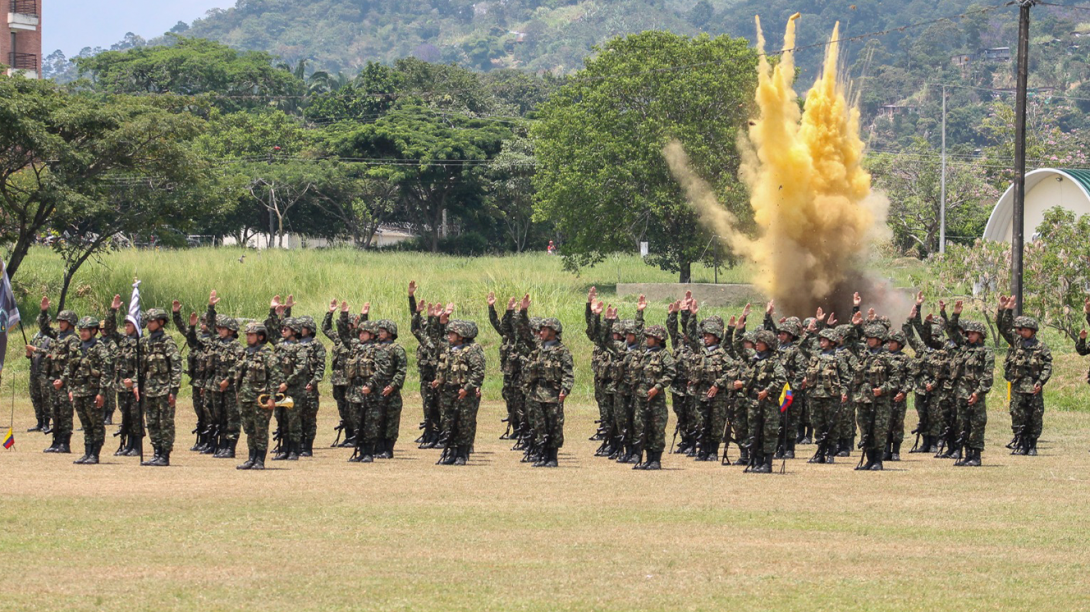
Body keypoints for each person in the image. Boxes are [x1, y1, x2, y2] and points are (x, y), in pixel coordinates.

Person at [521, 304, 574, 468]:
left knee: (554, 425)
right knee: (539, 425)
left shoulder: (562, 351)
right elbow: (523, 333)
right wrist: (522, 312)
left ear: (552, 332)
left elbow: (568, 373)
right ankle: (541, 455)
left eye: (544, 330)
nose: (540, 333)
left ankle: (552, 457)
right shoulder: (538, 349)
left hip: (553, 393)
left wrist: (565, 389)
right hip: (537, 393)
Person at [997, 295, 1052, 456]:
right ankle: (1021, 443)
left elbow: (1048, 366)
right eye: (1019, 329)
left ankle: (1032, 445)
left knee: (1035, 416)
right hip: (1018, 386)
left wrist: (1041, 382)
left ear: (1032, 331)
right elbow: (1003, 327)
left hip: (1034, 387)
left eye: (1024, 329)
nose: (1020, 332)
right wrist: (1007, 309)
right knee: (1017, 414)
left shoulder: (1041, 347)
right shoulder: (1017, 342)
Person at [433, 318, 486, 466]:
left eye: (452, 333)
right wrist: (439, 380)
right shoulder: (449, 349)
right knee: (448, 422)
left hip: (464, 394)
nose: (449, 336)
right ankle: (452, 452)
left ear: (461, 335)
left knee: (464, 423)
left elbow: (478, 373)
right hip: (447, 393)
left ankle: (462, 454)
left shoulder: (472, 350)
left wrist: (467, 389)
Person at [947, 301, 994, 467]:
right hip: (961, 393)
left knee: (976, 424)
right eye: (968, 334)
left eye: (973, 334)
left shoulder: (986, 352)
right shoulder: (963, 348)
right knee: (963, 424)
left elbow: (988, 375)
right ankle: (967, 455)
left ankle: (976, 456)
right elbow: (951, 330)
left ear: (980, 335)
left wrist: (978, 393)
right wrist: (955, 314)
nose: (970, 336)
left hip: (975, 394)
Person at [233, 323, 283, 470]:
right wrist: (237, 393)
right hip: (245, 397)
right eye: (247, 334)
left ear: (260, 336)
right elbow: (239, 376)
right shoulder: (244, 353)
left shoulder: (267, 354)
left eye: (251, 335)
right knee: (249, 429)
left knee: (260, 429)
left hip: (261, 397)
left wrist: (272, 397)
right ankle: (251, 458)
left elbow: (274, 376)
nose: (248, 337)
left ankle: (260, 460)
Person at [136, 308, 182, 467]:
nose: (148, 324)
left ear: (160, 322)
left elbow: (176, 366)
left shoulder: (167, 342)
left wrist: (174, 390)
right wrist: (138, 385)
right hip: (149, 389)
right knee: (152, 421)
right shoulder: (145, 342)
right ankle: (156, 451)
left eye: (152, 321)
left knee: (165, 423)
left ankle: (165, 454)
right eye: (147, 321)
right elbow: (141, 368)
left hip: (164, 389)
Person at [203, 291, 245, 459]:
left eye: (223, 328)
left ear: (231, 330)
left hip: (230, 388)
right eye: (219, 328)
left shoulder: (237, 347)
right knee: (218, 416)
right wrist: (211, 307)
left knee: (231, 418)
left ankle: (230, 446)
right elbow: (211, 325)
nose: (219, 330)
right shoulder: (216, 342)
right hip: (215, 386)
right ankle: (221, 444)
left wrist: (228, 380)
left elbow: (239, 365)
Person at [66, 317, 113, 465]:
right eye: (81, 330)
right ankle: (87, 452)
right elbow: (70, 370)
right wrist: (70, 389)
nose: (83, 333)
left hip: (93, 392)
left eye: (85, 330)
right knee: (86, 425)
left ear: (93, 331)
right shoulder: (77, 348)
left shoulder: (99, 348)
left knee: (96, 424)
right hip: (79, 392)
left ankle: (95, 453)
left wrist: (102, 393)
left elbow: (107, 371)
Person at [39, 298, 80, 454]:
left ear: (70, 323)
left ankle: (65, 442)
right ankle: (55, 441)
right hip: (53, 380)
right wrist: (44, 312)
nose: (60, 324)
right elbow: (44, 328)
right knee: (54, 411)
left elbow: (73, 362)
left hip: (65, 382)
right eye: (59, 321)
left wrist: (63, 380)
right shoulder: (58, 336)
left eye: (63, 321)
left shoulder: (73, 339)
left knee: (65, 412)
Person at [631, 324, 675, 470]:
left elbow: (670, 373)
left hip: (656, 400)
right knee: (642, 427)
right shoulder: (643, 353)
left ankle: (656, 459)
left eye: (650, 337)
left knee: (656, 428)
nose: (647, 339)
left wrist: (657, 387)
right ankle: (647, 459)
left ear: (658, 339)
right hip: (641, 397)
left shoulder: (664, 355)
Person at [103, 294, 141, 457]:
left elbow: (143, 366)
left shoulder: (142, 343)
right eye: (125, 325)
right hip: (121, 386)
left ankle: (136, 446)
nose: (126, 327)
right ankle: (127, 445)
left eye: (129, 325)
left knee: (135, 416)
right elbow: (110, 329)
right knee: (125, 415)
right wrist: (112, 310)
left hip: (134, 387)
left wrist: (133, 383)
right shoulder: (123, 340)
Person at [743, 329, 787, 473]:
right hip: (754, 403)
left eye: (761, 342)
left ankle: (767, 464)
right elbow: (736, 347)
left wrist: (767, 390)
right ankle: (756, 461)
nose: (757, 344)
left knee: (769, 432)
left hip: (769, 403)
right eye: (757, 341)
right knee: (754, 432)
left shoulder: (774, 362)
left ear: (768, 344)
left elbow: (782, 379)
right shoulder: (754, 359)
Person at [804, 328, 849, 463]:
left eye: (825, 340)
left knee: (832, 424)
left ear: (832, 342)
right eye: (821, 340)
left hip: (831, 396)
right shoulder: (815, 355)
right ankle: (820, 452)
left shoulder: (838, 357)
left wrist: (844, 392)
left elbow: (846, 377)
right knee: (818, 424)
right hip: (814, 395)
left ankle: (830, 452)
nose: (821, 342)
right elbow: (800, 346)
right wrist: (809, 332)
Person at [491, 292, 524, 442]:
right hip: (508, 375)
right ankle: (516, 428)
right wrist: (491, 307)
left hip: (521, 375)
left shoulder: (524, 339)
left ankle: (524, 430)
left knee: (521, 403)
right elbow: (497, 323)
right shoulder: (506, 337)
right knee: (510, 401)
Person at [373, 319, 406, 458]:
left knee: (391, 421)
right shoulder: (374, 348)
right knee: (376, 420)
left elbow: (401, 371)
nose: (379, 334)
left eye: (382, 331)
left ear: (390, 333)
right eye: (379, 331)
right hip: (376, 390)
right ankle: (378, 448)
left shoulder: (397, 349)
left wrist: (392, 386)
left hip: (391, 391)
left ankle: (388, 449)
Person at [322, 300, 354, 447]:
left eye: (349, 324)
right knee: (342, 409)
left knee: (351, 409)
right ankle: (348, 435)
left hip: (349, 381)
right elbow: (325, 328)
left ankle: (353, 435)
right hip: (337, 381)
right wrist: (330, 312)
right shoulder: (338, 339)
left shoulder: (355, 341)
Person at [298, 314, 326, 457]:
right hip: (296, 386)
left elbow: (321, 367)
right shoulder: (294, 343)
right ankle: (297, 444)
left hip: (309, 386)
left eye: (301, 327)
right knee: (296, 417)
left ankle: (307, 446)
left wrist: (313, 382)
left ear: (308, 329)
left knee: (309, 417)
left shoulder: (316, 344)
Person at [24, 316, 53, 433]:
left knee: (46, 397)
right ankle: (39, 422)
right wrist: (29, 353)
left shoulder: (52, 337)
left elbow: (52, 351)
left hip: (45, 372)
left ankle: (46, 423)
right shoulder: (36, 336)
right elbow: (30, 354)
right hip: (35, 371)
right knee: (35, 397)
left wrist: (35, 349)